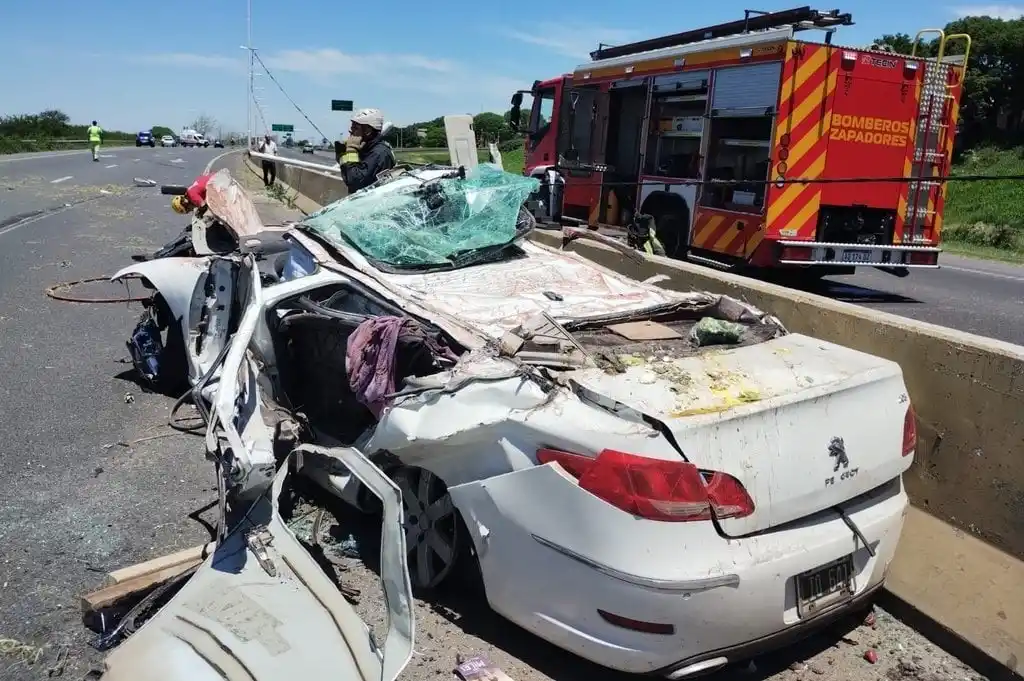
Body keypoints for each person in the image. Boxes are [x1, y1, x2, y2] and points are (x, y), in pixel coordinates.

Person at [335, 108, 395, 193]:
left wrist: (352, 149)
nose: (350, 131)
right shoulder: (366, 148)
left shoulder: (378, 153)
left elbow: (354, 181)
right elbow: (346, 172)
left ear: (367, 131)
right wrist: (342, 150)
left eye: (355, 128)